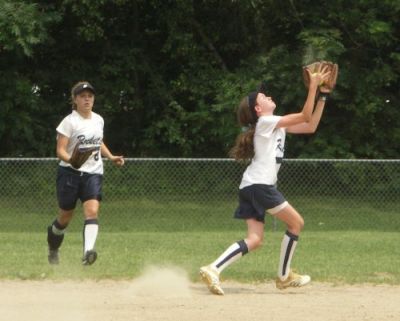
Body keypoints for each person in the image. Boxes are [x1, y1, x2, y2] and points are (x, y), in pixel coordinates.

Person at [199, 65, 331, 295]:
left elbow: (309, 125)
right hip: (260, 186)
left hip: (249, 186)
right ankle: (283, 277)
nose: (269, 96)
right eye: (263, 97)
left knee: (255, 239)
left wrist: (323, 96)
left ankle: (213, 268)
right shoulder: (266, 122)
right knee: (296, 223)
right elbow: (304, 115)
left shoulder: (274, 125)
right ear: (259, 108)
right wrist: (312, 87)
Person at [47, 81, 125, 265]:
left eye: (90, 96)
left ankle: (88, 252)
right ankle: (53, 248)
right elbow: (60, 150)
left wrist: (111, 156)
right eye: (82, 96)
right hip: (69, 174)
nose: (87, 99)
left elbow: (98, 142)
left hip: (93, 173)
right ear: (75, 99)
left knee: (92, 211)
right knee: (64, 218)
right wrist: (71, 160)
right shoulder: (69, 122)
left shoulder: (98, 119)